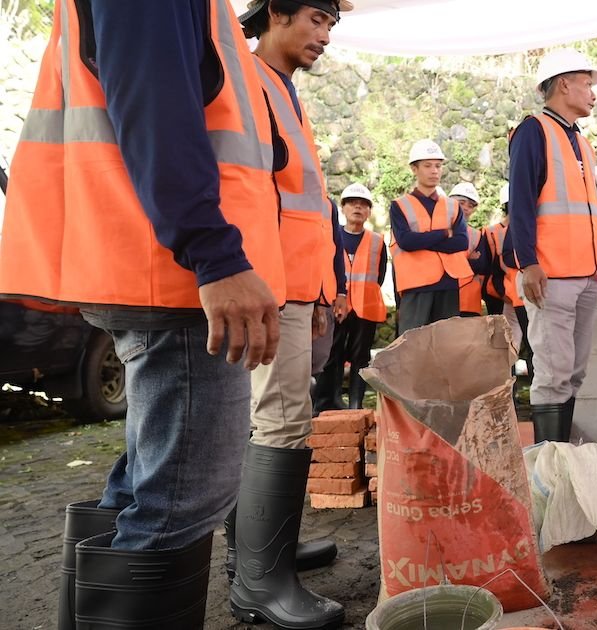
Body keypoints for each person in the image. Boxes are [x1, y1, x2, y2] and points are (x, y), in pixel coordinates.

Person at [0, 1, 287, 626]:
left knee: (149, 485)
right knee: (180, 499)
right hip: (174, 278)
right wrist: (215, 254)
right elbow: (156, 104)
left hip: (154, 264)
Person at [229, 1, 354, 627]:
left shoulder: (282, 89)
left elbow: (303, 203)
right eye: (316, 19)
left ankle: (256, 551)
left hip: (295, 284)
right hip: (269, 286)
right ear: (275, 13)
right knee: (281, 419)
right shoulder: (248, 81)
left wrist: (324, 288)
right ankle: (261, 581)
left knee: (261, 418)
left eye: (331, 25)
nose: (325, 35)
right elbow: (244, 194)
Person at [504, 49, 597, 443]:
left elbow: (591, 211)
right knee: (553, 373)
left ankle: (561, 456)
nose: (593, 93)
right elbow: (520, 201)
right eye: (587, 84)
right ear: (564, 84)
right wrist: (528, 263)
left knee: (573, 372)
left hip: (587, 273)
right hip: (551, 275)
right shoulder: (533, 131)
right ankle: (549, 464)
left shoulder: (581, 142)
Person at [315, 183, 388, 412]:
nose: (358, 208)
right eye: (353, 203)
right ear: (343, 208)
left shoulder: (377, 241)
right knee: (331, 355)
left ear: (369, 212)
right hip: (336, 306)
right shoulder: (331, 236)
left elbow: (380, 275)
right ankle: (328, 401)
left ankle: (356, 405)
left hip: (365, 307)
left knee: (360, 357)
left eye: (363, 205)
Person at [389, 140, 472, 336]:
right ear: (414, 169)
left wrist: (422, 240)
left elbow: (461, 242)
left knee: (446, 343)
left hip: (448, 282)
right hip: (416, 284)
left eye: (438, 165)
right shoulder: (400, 205)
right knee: (413, 343)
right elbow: (406, 242)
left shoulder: (452, 206)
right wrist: (444, 233)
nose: (434, 171)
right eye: (427, 166)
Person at [484, 184, 532, 360]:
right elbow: (493, 268)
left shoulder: (511, 231)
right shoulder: (496, 232)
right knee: (516, 344)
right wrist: (502, 292)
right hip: (513, 296)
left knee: (522, 345)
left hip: (515, 295)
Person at [449, 181, 490, 317]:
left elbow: (480, 266)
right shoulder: (435, 230)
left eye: (471, 205)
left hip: (469, 301)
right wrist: (467, 259)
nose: (466, 208)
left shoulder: (476, 235)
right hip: (442, 299)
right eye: (461, 203)